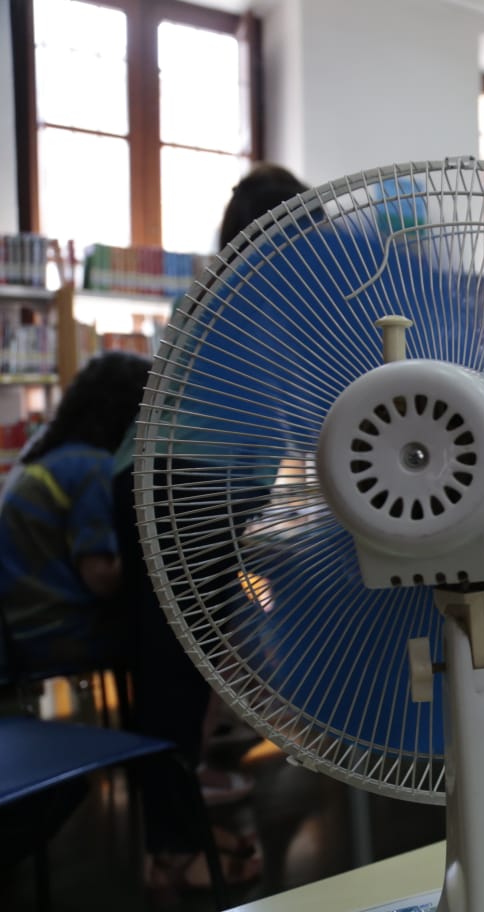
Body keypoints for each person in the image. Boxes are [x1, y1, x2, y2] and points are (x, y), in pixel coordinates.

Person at [115, 163, 309, 895]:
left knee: (179, 667)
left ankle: (175, 833)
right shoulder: (255, 296)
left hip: (170, 482)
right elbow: (286, 409)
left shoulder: (216, 288)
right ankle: (171, 849)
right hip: (183, 485)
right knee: (171, 671)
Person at [0, 352, 150, 681]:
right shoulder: (91, 468)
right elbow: (100, 579)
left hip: (19, 633)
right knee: (174, 633)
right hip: (58, 635)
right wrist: (157, 546)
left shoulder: (51, 456)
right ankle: (194, 729)